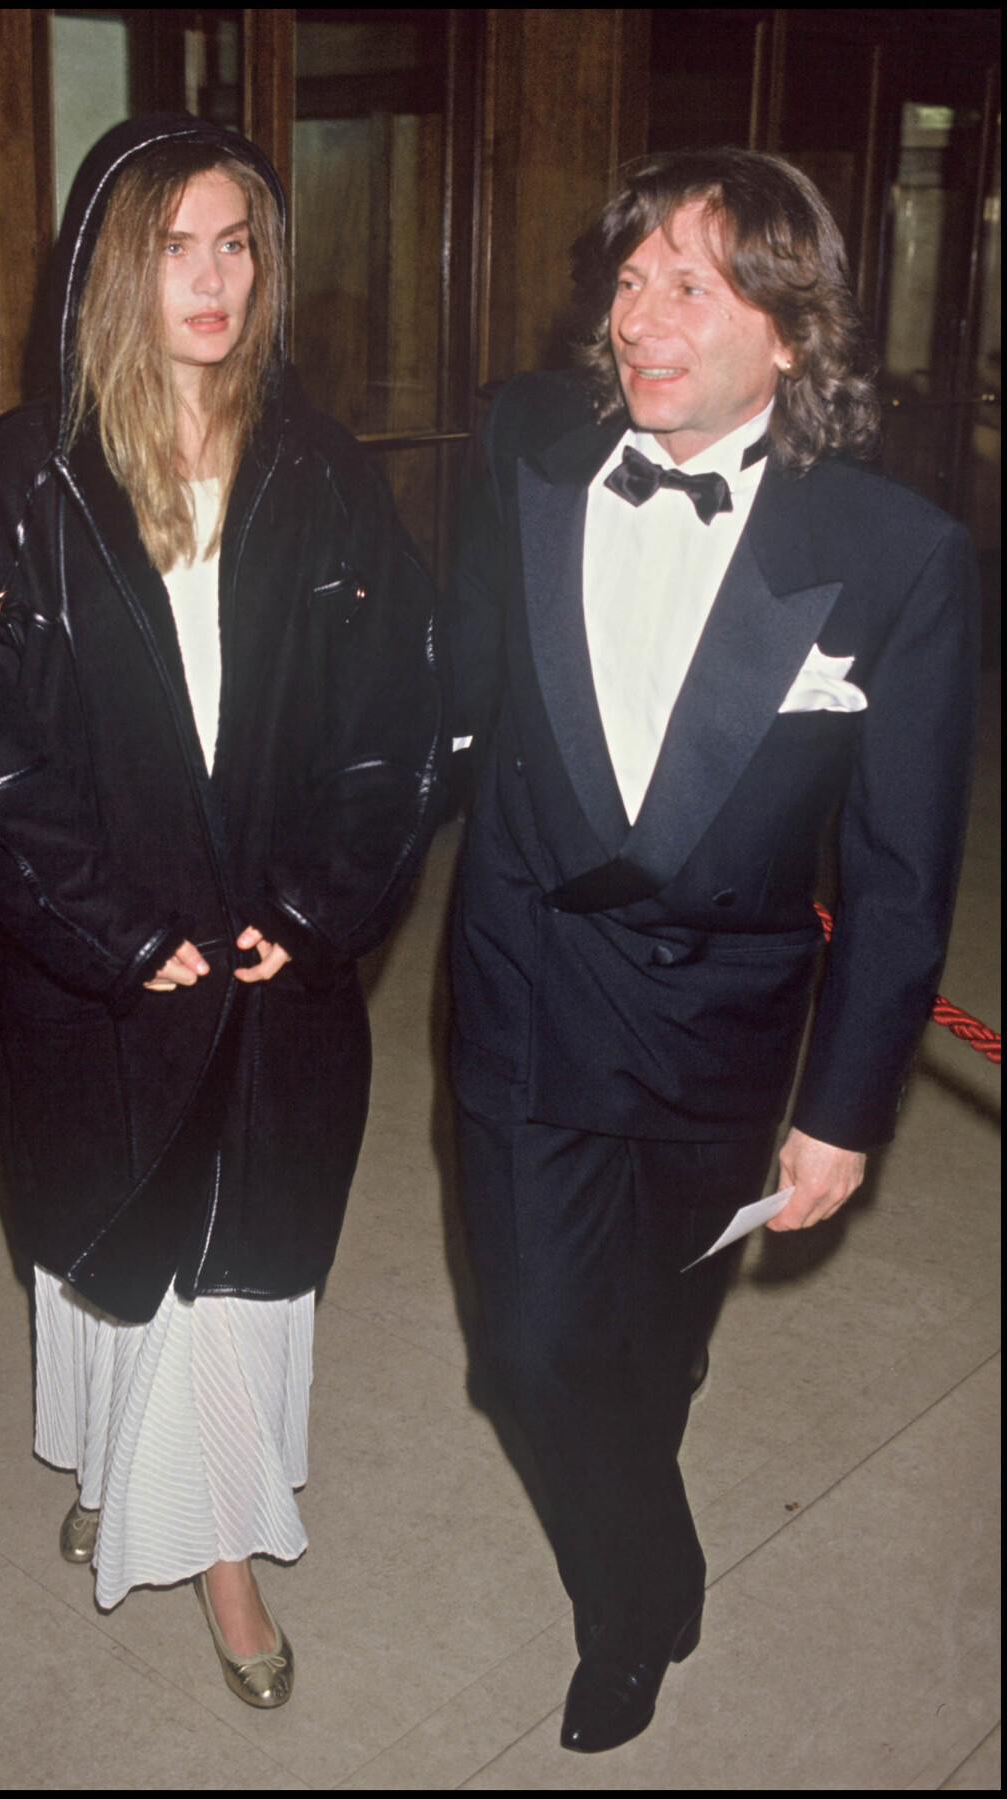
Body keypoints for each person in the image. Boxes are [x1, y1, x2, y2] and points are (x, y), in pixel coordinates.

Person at [0, 116, 445, 1705]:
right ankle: (114, 1467)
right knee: (112, 1237)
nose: (210, 280)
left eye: (236, 243)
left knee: (237, 1265)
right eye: (171, 245)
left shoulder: (325, 477)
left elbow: (391, 717)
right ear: (101, 266)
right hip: (103, 968)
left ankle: (215, 1547)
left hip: (274, 957)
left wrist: (319, 899)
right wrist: (124, 930)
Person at [447, 149, 978, 1754]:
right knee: (529, 1354)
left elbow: (898, 871)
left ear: (795, 329)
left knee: (654, 1346)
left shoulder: (898, 554)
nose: (639, 319)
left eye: (692, 283)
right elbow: (448, 691)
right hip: (528, 986)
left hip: (721, 1029)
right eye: (627, 280)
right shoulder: (521, 444)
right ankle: (642, 1588)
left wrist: (845, 1108)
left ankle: (637, 1504)